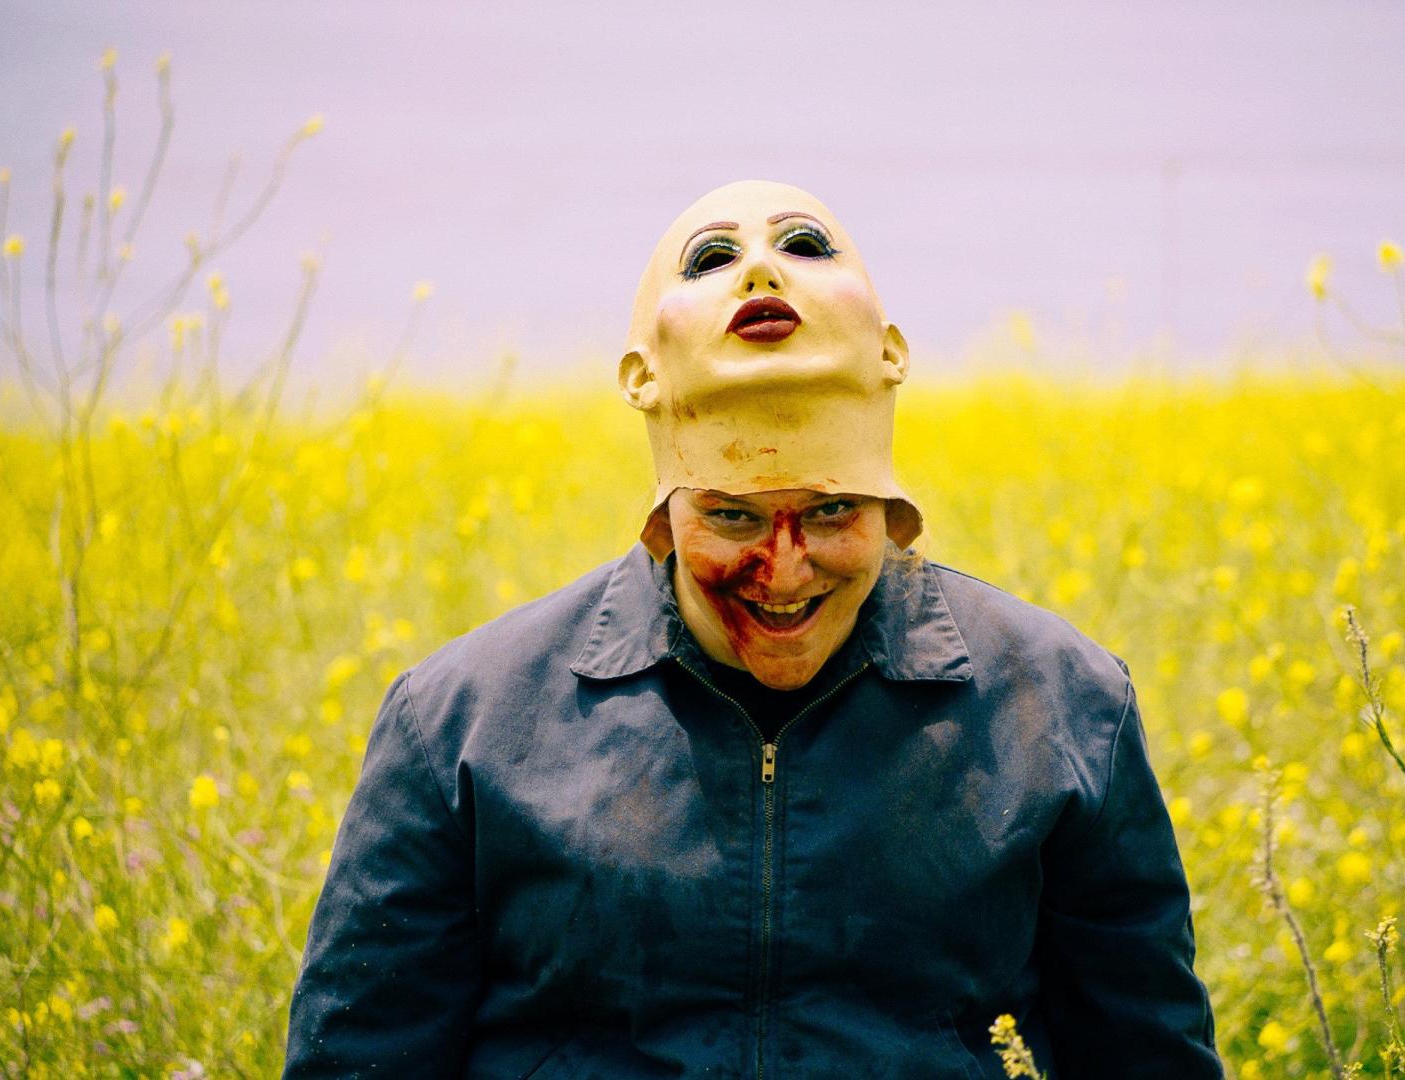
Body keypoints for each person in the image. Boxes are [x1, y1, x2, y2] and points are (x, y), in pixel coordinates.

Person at [283, 180, 1221, 1078]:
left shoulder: (1063, 707)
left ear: (890, 504)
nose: (784, 571)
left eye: (832, 511)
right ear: (666, 508)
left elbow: (1145, 1057)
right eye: (731, 516)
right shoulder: (459, 726)